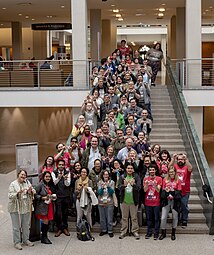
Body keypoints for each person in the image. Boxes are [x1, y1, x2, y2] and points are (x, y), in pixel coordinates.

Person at [8, 169, 35, 250]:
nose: (23, 176)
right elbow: (10, 195)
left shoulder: (27, 182)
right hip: (16, 208)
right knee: (16, 226)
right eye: (22, 175)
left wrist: (30, 191)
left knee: (26, 225)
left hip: (26, 206)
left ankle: (26, 240)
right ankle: (17, 242)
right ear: (18, 175)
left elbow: (33, 190)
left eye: (24, 175)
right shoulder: (13, 184)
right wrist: (17, 193)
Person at [169, 153, 192, 228]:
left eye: (182, 159)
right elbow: (169, 167)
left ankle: (184, 220)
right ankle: (177, 219)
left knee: (184, 206)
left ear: (184, 160)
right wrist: (173, 158)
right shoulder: (175, 166)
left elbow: (190, 169)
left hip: (185, 191)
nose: (180, 160)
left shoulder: (186, 166)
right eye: (179, 159)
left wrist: (186, 159)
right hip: (176, 190)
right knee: (177, 206)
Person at [118, 164, 141, 240]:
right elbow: (119, 187)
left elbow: (139, 188)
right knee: (124, 218)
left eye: (131, 168)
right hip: (124, 200)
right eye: (128, 168)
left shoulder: (136, 177)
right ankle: (124, 231)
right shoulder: (122, 177)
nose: (130, 169)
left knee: (134, 218)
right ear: (126, 169)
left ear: (133, 169)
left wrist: (133, 184)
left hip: (133, 201)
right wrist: (124, 185)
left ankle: (134, 231)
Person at [159, 167, 182, 241]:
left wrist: (172, 193)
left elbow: (179, 193)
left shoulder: (178, 181)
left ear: (175, 172)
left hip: (175, 201)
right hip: (166, 200)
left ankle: (173, 233)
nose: (171, 173)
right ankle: (163, 233)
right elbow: (162, 193)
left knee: (175, 217)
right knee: (163, 217)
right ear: (168, 172)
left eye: (173, 172)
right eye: (170, 172)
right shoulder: (165, 180)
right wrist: (167, 193)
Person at [51, 159, 71, 237]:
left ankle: (65, 227)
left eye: (63, 165)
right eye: (60, 165)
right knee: (58, 213)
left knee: (65, 212)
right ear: (57, 165)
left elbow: (68, 184)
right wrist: (59, 178)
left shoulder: (67, 173)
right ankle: (59, 228)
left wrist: (65, 179)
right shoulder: (54, 173)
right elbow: (54, 183)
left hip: (65, 195)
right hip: (58, 195)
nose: (61, 166)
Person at [35, 171, 56, 244]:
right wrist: (42, 198)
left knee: (47, 221)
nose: (48, 178)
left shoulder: (50, 185)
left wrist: (53, 197)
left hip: (49, 205)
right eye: (46, 176)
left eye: (49, 177)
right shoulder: (40, 185)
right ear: (43, 177)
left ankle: (44, 236)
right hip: (43, 206)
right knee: (45, 221)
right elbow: (35, 195)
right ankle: (44, 237)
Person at [143, 164, 162, 240]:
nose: (152, 171)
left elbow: (158, 190)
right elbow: (144, 190)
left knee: (157, 218)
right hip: (148, 202)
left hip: (156, 202)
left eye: (153, 170)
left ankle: (156, 233)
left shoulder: (159, 179)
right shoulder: (145, 179)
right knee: (149, 218)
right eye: (150, 170)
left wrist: (155, 185)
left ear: (155, 171)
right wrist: (147, 184)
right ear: (148, 171)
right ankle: (149, 232)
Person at [97, 170, 115, 237]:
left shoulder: (112, 182)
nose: (106, 176)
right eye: (104, 174)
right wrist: (102, 187)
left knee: (109, 217)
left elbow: (111, 192)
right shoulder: (99, 182)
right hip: (101, 202)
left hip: (109, 202)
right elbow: (99, 193)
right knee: (102, 217)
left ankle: (110, 230)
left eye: (107, 174)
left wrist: (108, 186)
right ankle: (103, 230)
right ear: (102, 175)